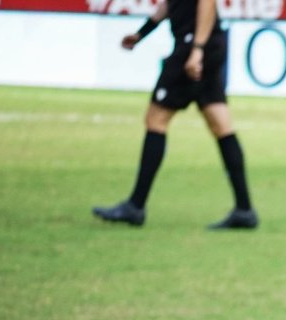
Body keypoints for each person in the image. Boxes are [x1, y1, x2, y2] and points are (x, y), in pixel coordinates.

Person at [93, 0, 258, 230]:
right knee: (221, 124)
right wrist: (142, 33)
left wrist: (197, 49)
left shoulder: (196, 44)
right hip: (210, 45)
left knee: (156, 119)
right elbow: (170, 4)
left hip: (194, 46)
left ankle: (135, 206)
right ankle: (244, 210)